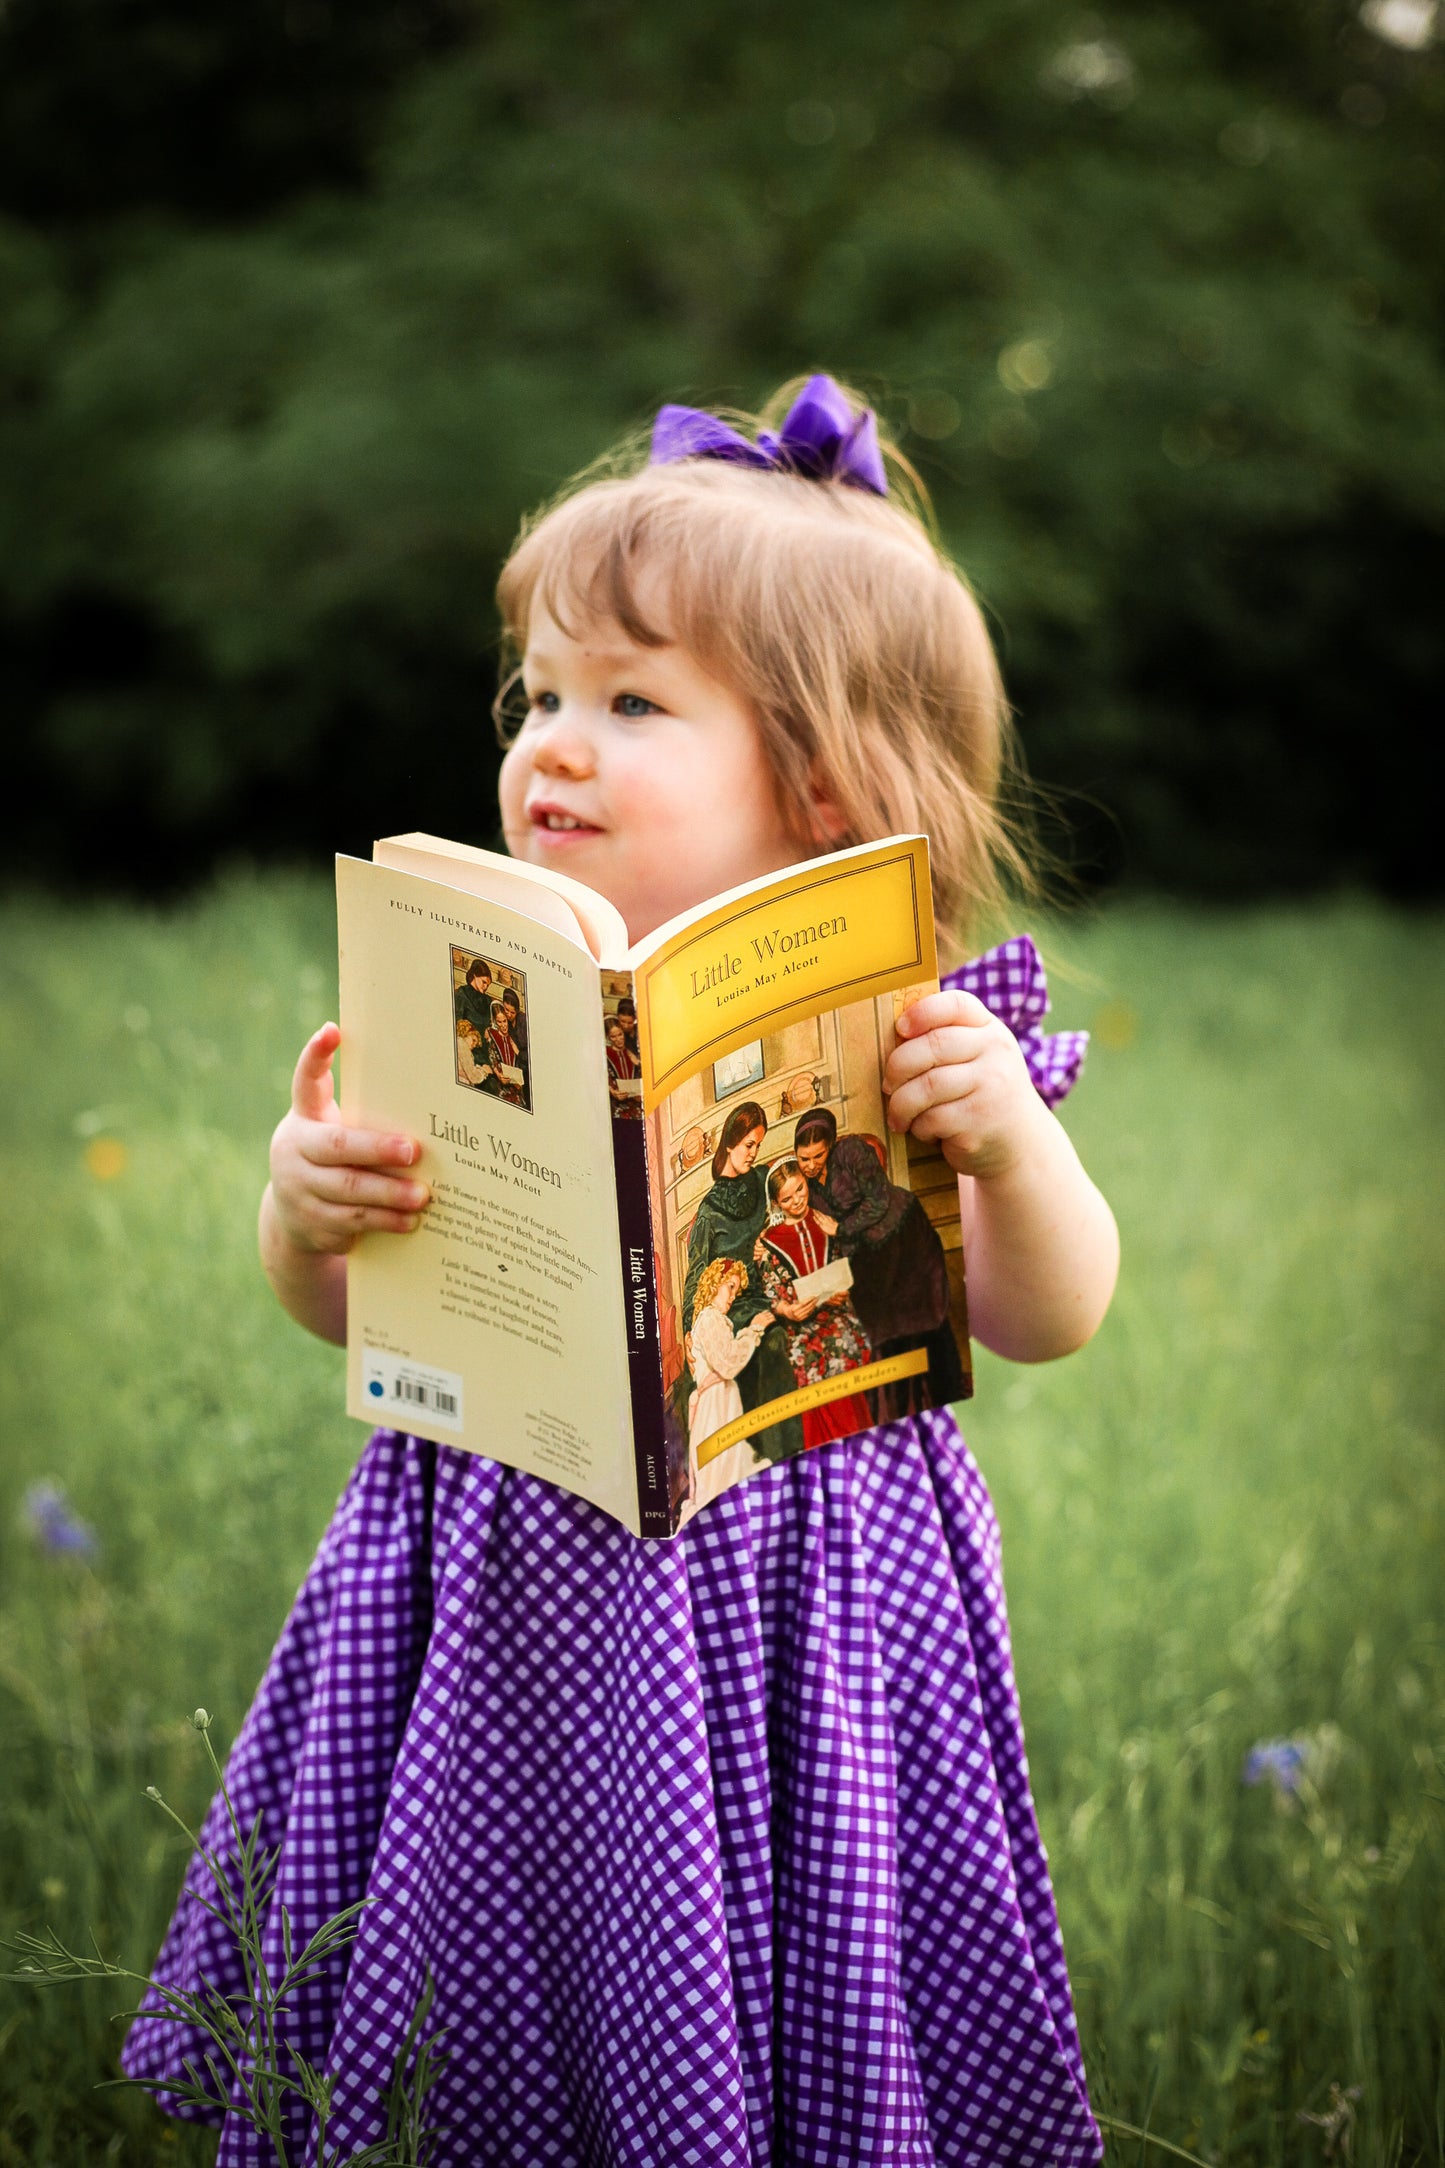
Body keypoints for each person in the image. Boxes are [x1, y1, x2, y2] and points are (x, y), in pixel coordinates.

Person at [125, 374, 1118, 2168]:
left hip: (809, 1599)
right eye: (540, 694)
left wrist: (1012, 1147)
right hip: (505, 1588)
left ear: (824, 780)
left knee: (775, 1962)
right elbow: (358, 1317)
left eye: (631, 702)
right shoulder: (481, 997)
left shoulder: (914, 1033)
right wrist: (310, 1211)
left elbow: (1050, 1314)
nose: (550, 742)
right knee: (493, 1950)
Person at [792, 1102, 967, 1417]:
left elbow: (879, 1199)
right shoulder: (804, 1184)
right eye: (803, 1158)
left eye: (818, 1156)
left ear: (829, 1147)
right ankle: (902, 1410)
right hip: (868, 1259)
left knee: (923, 1316)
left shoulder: (851, 1152)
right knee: (882, 1330)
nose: (810, 1164)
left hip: (904, 1236)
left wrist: (841, 1227)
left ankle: (943, 1395)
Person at [679, 1101, 803, 1464]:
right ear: (730, 1144)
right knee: (771, 1342)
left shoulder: (764, 1178)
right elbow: (695, 1279)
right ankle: (776, 1454)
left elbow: (789, 1212)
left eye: (758, 1146)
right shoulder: (709, 1212)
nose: (753, 1153)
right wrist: (690, 1331)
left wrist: (771, 1240)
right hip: (734, 1304)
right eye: (748, 1144)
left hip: (770, 1287)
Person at [757, 1155, 874, 1448]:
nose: (796, 1201)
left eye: (800, 1189)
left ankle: (863, 1443)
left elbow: (848, 1263)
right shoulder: (770, 1240)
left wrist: (844, 1290)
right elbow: (772, 1292)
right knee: (814, 1369)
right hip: (802, 1327)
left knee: (847, 1355)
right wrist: (788, 1311)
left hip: (838, 1316)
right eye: (786, 1198)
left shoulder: (826, 1219)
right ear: (776, 1203)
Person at [685, 1258, 775, 1458]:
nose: (733, 1296)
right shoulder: (709, 1318)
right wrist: (754, 1329)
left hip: (723, 1399)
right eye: (730, 1287)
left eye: (736, 1292)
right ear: (715, 1282)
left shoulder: (715, 1319)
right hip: (714, 1405)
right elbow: (728, 1363)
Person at [604, 1014, 643, 1118]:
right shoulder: (605, 1055)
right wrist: (613, 1092)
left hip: (637, 1107)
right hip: (616, 1108)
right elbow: (600, 1079)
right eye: (613, 1036)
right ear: (608, 1037)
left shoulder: (632, 1052)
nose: (618, 1039)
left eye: (620, 1034)